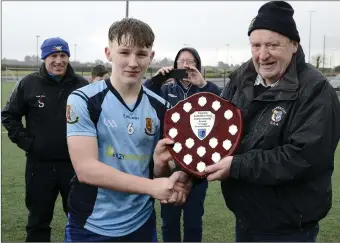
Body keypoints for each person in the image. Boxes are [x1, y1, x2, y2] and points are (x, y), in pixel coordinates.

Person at [204, 1, 340, 242]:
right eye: (256, 45)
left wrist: (237, 166)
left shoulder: (316, 91)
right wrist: (186, 165)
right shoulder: (240, 81)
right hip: (245, 217)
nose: (262, 55)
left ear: (294, 45)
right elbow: (219, 132)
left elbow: (303, 157)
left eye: (272, 45)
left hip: (289, 227)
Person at [64, 17, 192, 242]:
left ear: (151, 57)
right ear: (108, 53)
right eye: (124, 52)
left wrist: (162, 166)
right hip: (92, 226)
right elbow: (86, 169)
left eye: (141, 54)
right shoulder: (83, 99)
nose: (133, 62)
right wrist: (152, 186)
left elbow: (157, 173)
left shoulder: (160, 106)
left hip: (141, 223)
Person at [1, 37, 89, 242]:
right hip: (39, 166)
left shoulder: (81, 85)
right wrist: (29, 144)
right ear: (44, 58)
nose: (59, 60)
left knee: (81, 218)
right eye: (53, 55)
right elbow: (8, 115)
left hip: (74, 165)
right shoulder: (28, 83)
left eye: (63, 55)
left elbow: (95, 118)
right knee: (38, 222)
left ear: (68, 57)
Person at [144, 47, 221, 242]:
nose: (185, 65)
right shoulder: (166, 88)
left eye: (190, 61)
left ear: (198, 65)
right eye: (181, 61)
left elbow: (222, 105)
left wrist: (202, 84)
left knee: (193, 219)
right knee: (169, 220)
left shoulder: (205, 88)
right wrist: (157, 79)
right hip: (169, 162)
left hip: (198, 165)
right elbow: (143, 93)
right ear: (175, 65)